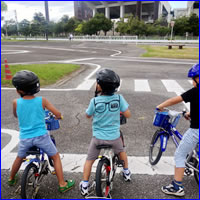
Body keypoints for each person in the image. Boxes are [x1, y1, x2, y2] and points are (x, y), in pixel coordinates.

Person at [8, 70, 75, 193]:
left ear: (18, 90)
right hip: (41, 137)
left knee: (19, 157)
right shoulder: (42, 101)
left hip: (25, 138)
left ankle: (11, 178)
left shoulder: (16, 102)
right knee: (55, 157)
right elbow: (57, 113)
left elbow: (16, 115)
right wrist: (58, 116)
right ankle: (62, 183)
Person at [79, 69, 131, 196]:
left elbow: (87, 115)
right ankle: (126, 172)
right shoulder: (119, 99)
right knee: (121, 152)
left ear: (99, 86)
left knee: (89, 160)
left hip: (98, 138)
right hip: (114, 137)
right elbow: (128, 114)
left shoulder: (95, 101)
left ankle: (85, 184)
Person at [156, 64, 199, 197]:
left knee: (179, 155)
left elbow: (176, 99)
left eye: (194, 78)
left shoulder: (195, 91)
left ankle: (177, 186)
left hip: (196, 131)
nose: (192, 81)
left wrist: (161, 106)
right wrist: (191, 114)